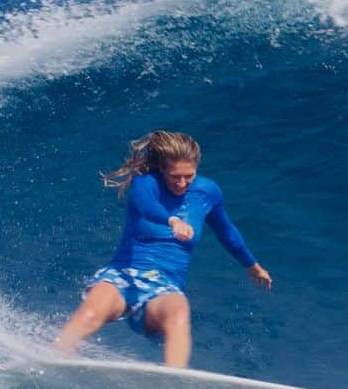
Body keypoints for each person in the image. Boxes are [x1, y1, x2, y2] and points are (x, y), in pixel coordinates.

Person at [55, 130, 272, 368]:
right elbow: (146, 206)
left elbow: (226, 230)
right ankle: (54, 358)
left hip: (163, 287)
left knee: (179, 310)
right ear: (162, 170)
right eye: (174, 176)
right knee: (93, 310)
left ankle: (175, 382)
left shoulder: (207, 192)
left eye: (188, 176)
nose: (181, 183)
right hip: (123, 274)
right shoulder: (145, 183)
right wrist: (172, 220)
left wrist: (252, 265)